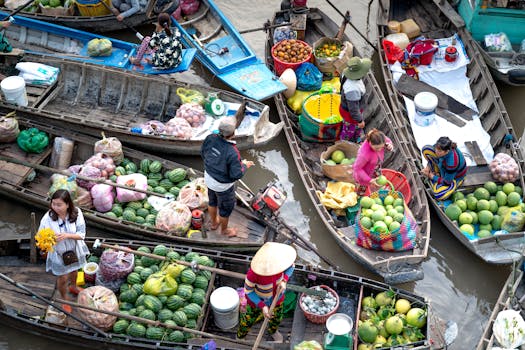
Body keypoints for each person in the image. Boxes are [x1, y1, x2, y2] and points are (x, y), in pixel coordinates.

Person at [201, 117, 254, 237]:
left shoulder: (210, 138)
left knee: (212, 201)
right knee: (225, 210)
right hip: (223, 187)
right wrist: (245, 165)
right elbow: (236, 174)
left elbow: (203, 154)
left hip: (209, 179)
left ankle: (214, 223)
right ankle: (225, 231)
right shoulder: (232, 152)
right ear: (233, 134)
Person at [237, 242, 296, 342]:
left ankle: (273, 331)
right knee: (247, 321)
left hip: (277, 299)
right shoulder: (253, 274)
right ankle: (240, 336)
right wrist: (262, 306)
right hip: (256, 302)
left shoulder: (281, 264)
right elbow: (248, 291)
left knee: (276, 318)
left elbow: (292, 266)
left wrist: (284, 280)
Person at [39, 189, 90, 305]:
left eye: (59, 205)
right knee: (62, 278)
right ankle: (64, 298)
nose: (55, 207)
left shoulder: (77, 213)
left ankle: (74, 287)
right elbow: (40, 236)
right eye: (53, 204)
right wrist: (50, 240)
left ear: (67, 204)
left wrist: (67, 235)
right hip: (58, 253)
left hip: (74, 250)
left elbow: (82, 235)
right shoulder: (48, 218)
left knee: (75, 271)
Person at [421, 136, 467, 200]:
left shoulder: (452, 163)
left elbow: (447, 182)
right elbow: (432, 154)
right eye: (436, 149)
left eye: (439, 151)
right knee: (426, 149)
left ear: (447, 151)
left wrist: (431, 176)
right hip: (442, 164)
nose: (436, 151)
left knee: (438, 194)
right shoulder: (439, 146)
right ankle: (438, 174)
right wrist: (427, 167)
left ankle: (454, 183)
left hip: (454, 176)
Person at [339, 56, 372, 143]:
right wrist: (360, 120)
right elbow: (353, 109)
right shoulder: (352, 89)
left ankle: (356, 135)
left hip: (353, 109)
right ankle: (345, 142)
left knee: (356, 126)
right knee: (348, 129)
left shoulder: (345, 72)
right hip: (350, 113)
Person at [352, 128, 394, 196]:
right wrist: (369, 180)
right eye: (377, 148)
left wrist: (389, 145)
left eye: (382, 147)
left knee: (378, 182)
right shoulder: (364, 154)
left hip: (375, 167)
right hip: (364, 175)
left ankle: (376, 189)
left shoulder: (380, 139)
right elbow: (357, 169)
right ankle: (359, 198)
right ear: (370, 143)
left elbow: (388, 140)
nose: (380, 149)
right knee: (361, 191)